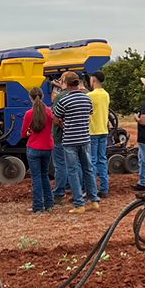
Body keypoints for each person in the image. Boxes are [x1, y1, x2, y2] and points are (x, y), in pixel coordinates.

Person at [52, 71, 99, 212]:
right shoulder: (87, 99)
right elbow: (89, 114)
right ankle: (94, 200)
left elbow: (56, 119)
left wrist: (64, 124)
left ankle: (79, 203)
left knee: (72, 171)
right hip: (85, 138)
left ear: (66, 83)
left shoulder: (64, 101)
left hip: (70, 140)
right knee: (88, 169)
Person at [20, 86, 55, 213]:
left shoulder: (29, 114)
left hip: (34, 147)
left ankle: (38, 206)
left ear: (30, 98)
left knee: (36, 177)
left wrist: (30, 132)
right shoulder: (49, 112)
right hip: (47, 146)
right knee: (45, 175)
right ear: (43, 96)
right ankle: (49, 204)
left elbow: (23, 134)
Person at [87, 74, 112, 199]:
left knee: (92, 161)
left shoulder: (90, 96)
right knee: (102, 159)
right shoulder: (106, 95)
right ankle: (104, 188)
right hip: (103, 130)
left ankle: (92, 189)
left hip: (92, 131)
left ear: (93, 80)